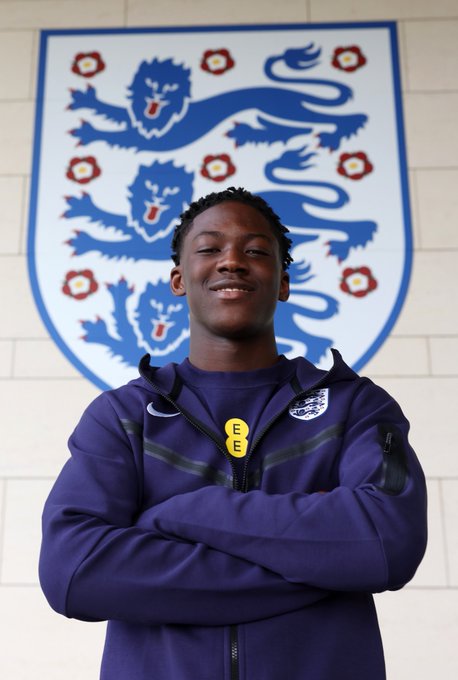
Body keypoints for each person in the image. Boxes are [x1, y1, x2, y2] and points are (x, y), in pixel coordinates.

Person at [39, 187, 427, 680]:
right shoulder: (123, 415)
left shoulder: (355, 406)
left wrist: (179, 513)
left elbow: (386, 541)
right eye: (209, 249)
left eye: (257, 251)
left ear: (283, 281)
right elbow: (73, 572)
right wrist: (322, 561)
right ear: (180, 279)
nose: (232, 262)